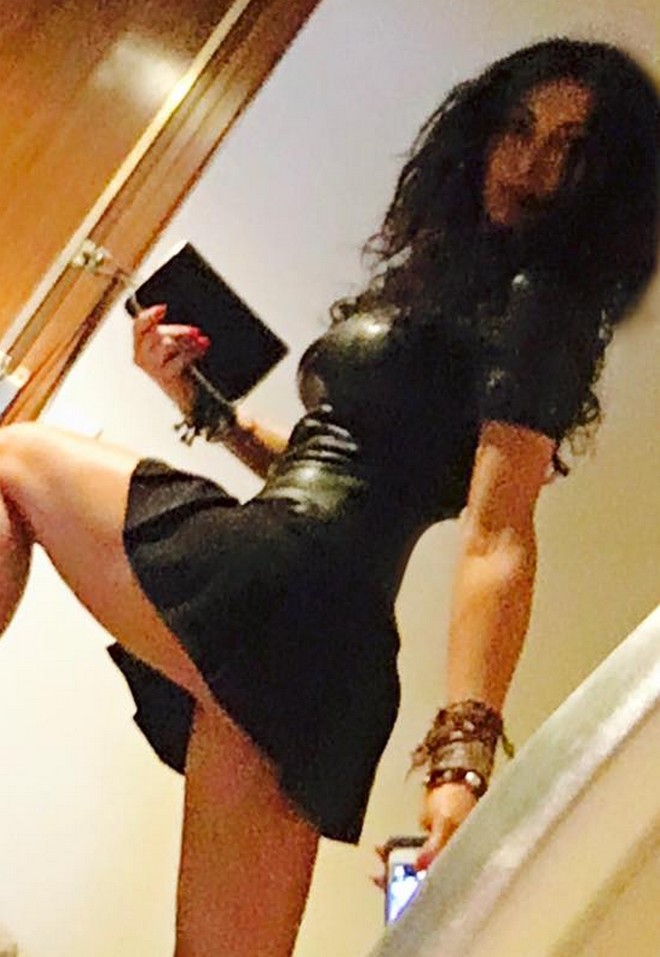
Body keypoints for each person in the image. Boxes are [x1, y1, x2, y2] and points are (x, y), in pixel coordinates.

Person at [0, 37, 657, 957]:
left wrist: (462, 758)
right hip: (322, 643)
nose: (530, 164)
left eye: (570, 149)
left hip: (291, 585)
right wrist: (205, 408)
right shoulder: (462, 288)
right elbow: (345, 463)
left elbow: (500, 532)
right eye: (519, 129)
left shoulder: (545, 303)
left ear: (607, 182)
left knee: (14, 454)